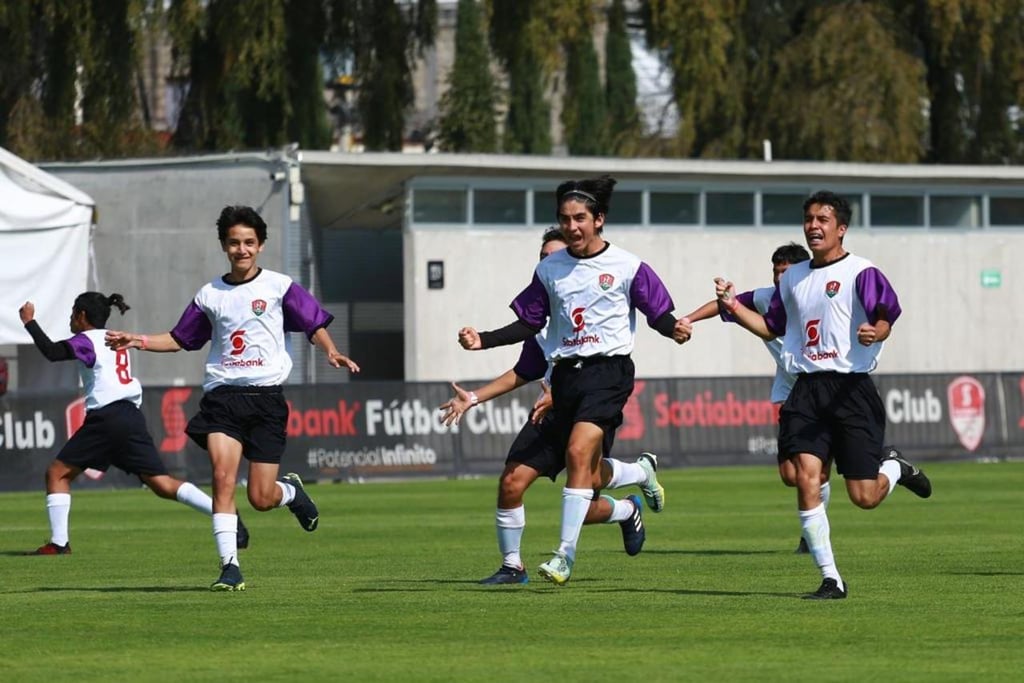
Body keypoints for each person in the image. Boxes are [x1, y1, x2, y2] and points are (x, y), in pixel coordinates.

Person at [106, 205, 359, 591]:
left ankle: (290, 492)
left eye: (249, 242)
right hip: (223, 398)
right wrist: (136, 339)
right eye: (234, 242)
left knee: (260, 496)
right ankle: (229, 567)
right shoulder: (210, 294)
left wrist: (330, 350)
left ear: (260, 245)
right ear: (224, 245)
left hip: (266, 401)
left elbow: (313, 323)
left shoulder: (278, 286)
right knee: (222, 480)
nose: (241, 249)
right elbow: (179, 339)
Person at [458, 176, 692, 585]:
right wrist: (484, 340)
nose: (572, 226)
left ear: (598, 219)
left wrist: (674, 328)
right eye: (564, 219)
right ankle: (513, 567)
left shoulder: (627, 265)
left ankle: (564, 556)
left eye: (580, 218)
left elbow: (658, 311)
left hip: (608, 373)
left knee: (579, 451)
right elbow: (530, 322)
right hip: (566, 377)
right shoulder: (550, 269)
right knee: (514, 479)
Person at [714, 190, 931, 600]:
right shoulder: (793, 277)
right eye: (809, 218)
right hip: (807, 389)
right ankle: (831, 578)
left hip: (852, 390)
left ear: (841, 228)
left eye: (823, 220)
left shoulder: (862, 272)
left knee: (864, 497)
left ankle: (896, 468)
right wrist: (732, 306)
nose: (814, 226)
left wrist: (877, 330)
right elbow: (771, 328)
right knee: (805, 478)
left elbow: (885, 317)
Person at [18, 293, 248, 556]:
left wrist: (29, 322)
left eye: (73, 313)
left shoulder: (87, 340)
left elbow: (51, 352)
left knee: (57, 474)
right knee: (161, 484)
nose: (71, 318)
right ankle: (224, 510)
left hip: (106, 418)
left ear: (82, 316)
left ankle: (59, 544)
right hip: (129, 416)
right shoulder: (114, 337)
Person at [684, 242, 831, 553]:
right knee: (790, 475)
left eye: (785, 271)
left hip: (822, 387)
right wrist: (688, 319)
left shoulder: (816, 298)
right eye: (776, 271)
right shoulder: (766, 298)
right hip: (788, 388)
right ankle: (815, 517)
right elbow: (726, 304)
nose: (779, 278)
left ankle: (812, 536)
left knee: (814, 472)